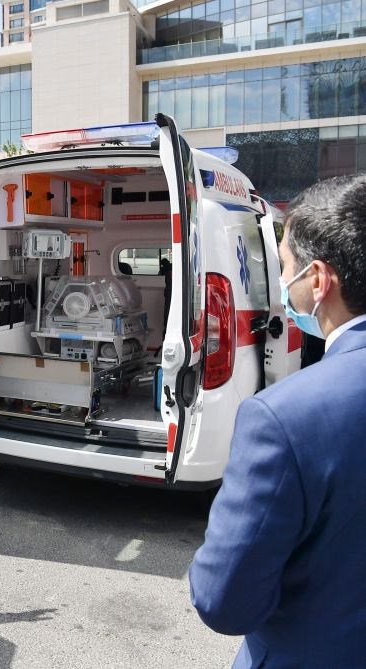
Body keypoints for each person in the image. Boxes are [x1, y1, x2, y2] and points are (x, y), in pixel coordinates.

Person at [188, 174, 366, 668]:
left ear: (318, 279)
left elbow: (224, 601)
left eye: (283, 268)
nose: (282, 287)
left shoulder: (284, 418)